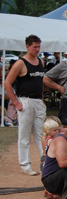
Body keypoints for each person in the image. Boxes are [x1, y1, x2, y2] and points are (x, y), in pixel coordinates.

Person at [4, 34, 46, 175]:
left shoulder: (41, 62)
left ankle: (45, 162)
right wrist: (16, 102)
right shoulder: (20, 63)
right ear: (27, 46)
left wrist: (42, 98)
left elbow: (41, 82)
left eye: (39, 47)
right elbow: (7, 83)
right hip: (25, 100)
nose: (37, 50)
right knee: (24, 135)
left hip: (38, 101)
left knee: (41, 134)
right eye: (34, 47)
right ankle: (25, 165)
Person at [41, 117, 62, 199]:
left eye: (58, 130)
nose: (57, 132)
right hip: (48, 159)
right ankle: (49, 191)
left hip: (48, 159)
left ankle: (47, 191)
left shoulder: (49, 138)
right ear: (47, 131)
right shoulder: (50, 140)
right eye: (55, 130)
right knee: (49, 175)